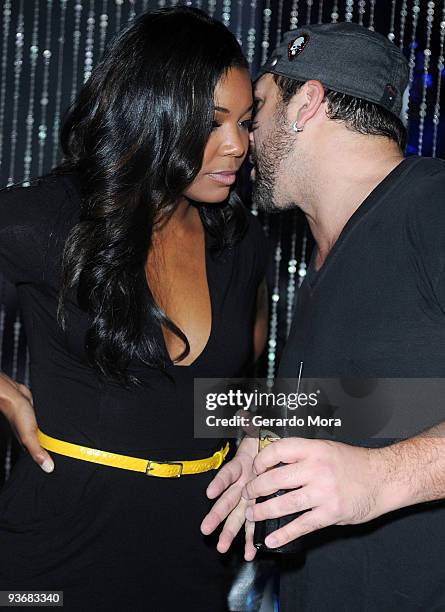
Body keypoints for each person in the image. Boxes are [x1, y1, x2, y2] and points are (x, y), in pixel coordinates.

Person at [0, 7, 268, 611]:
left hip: (193, 557)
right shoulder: (50, 217)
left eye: (246, 123)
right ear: (153, 111)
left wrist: (282, 425)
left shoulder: (242, 240)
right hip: (53, 561)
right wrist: (4, 392)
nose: (237, 146)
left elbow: (228, 393)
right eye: (214, 121)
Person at [202, 22, 445, 611]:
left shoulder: (433, 203)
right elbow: (392, 399)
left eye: (257, 107)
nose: (244, 134)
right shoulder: (330, 254)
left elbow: (377, 460)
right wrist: (258, 425)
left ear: (306, 103)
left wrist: (380, 479)